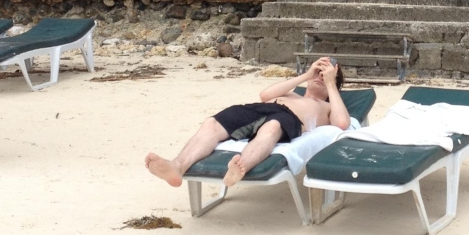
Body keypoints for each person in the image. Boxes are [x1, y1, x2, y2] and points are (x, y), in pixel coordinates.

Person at [145, 57, 349, 189]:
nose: (319, 77)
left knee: (272, 127)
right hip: (259, 108)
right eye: (318, 73)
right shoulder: (291, 93)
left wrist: (331, 82)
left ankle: (240, 168)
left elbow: (341, 123)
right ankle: (176, 166)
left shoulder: (327, 106)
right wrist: (306, 75)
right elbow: (265, 95)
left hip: (287, 118)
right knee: (211, 123)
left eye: (324, 76)